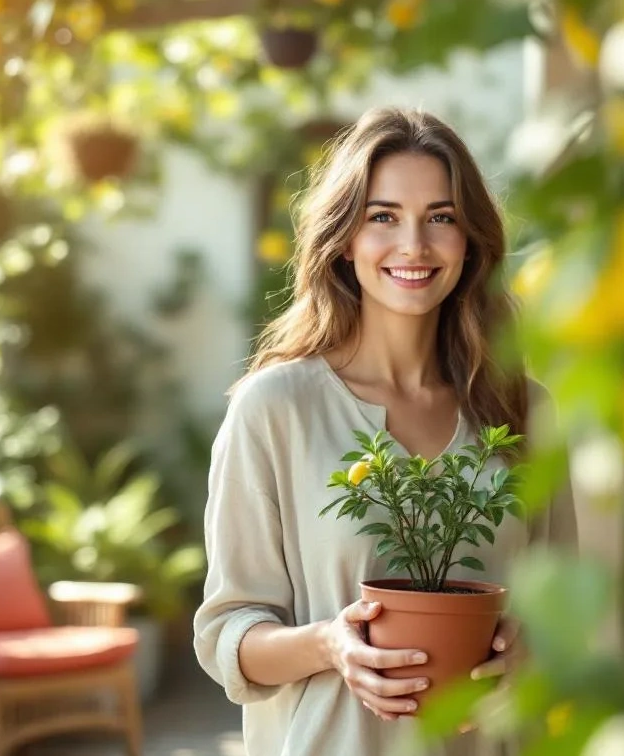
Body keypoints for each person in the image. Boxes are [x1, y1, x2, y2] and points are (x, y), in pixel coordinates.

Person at [193, 106, 579, 756]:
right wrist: (330, 645)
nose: (414, 246)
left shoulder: (523, 413)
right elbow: (227, 637)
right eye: (383, 217)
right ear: (345, 239)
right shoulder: (274, 410)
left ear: (471, 241)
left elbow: (565, 606)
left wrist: (529, 645)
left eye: (441, 217)